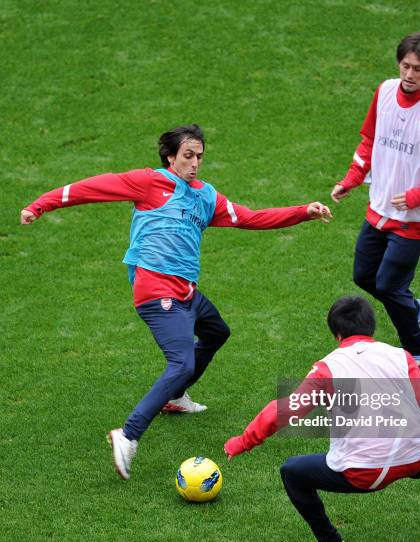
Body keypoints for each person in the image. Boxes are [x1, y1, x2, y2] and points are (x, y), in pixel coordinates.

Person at [20, 123, 332, 481]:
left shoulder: (206, 196)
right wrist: (38, 206)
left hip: (186, 293)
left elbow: (250, 217)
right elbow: (91, 188)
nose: (195, 162)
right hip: (156, 291)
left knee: (217, 331)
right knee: (181, 363)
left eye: (199, 156)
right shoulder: (149, 183)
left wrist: (302, 211)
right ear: (171, 157)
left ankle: (176, 397)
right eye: (188, 155)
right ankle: (128, 434)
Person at [225, 296, 420, 542]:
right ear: (371, 327)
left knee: (292, 472)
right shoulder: (401, 357)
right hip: (411, 460)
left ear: (337, 333)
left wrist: (241, 442)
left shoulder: (326, 369)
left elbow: (282, 411)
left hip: (359, 473)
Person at [331, 33, 420, 369]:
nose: (409, 74)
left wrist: (415, 196)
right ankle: (414, 309)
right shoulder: (385, 92)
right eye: (405, 65)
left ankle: (418, 352)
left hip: (415, 218)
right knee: (364, 276)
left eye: (418, 69)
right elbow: (369, 141)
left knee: (389, 285)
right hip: (379, 208)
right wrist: (351, 179)